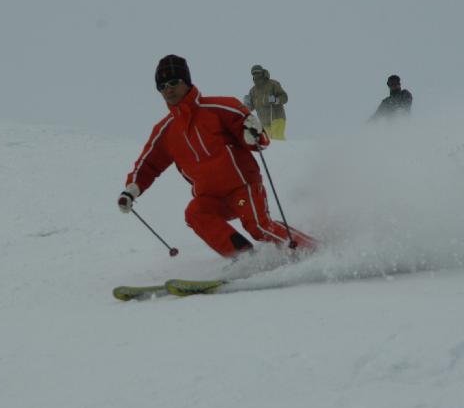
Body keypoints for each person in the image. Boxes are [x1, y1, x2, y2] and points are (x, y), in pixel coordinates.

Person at [117, 55, 317, 259]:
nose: (168, 89)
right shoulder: (165, 131)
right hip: (212, 198)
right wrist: (131, 191)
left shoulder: (220, 108)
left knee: (258, 227)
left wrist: (254, 135)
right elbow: (148, 165)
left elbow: (258, 139)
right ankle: (243, 258)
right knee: (195, 213)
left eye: (173, 82)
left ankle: (312, 250)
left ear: (186, 82)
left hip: (242, 188)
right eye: (162, 86)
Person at [245, 64, 289, 140]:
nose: (256, 75)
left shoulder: (272, 84)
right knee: (270, 142)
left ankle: (288, 148)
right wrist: (246, 104)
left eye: (258, 72)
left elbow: (284, 97)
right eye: (254, 73)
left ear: (262, 73)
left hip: (276, 117)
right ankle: (286, 148)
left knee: (277, 139)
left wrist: (276, 100)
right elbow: (251, 107)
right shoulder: (253, 91)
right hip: (264, 123)